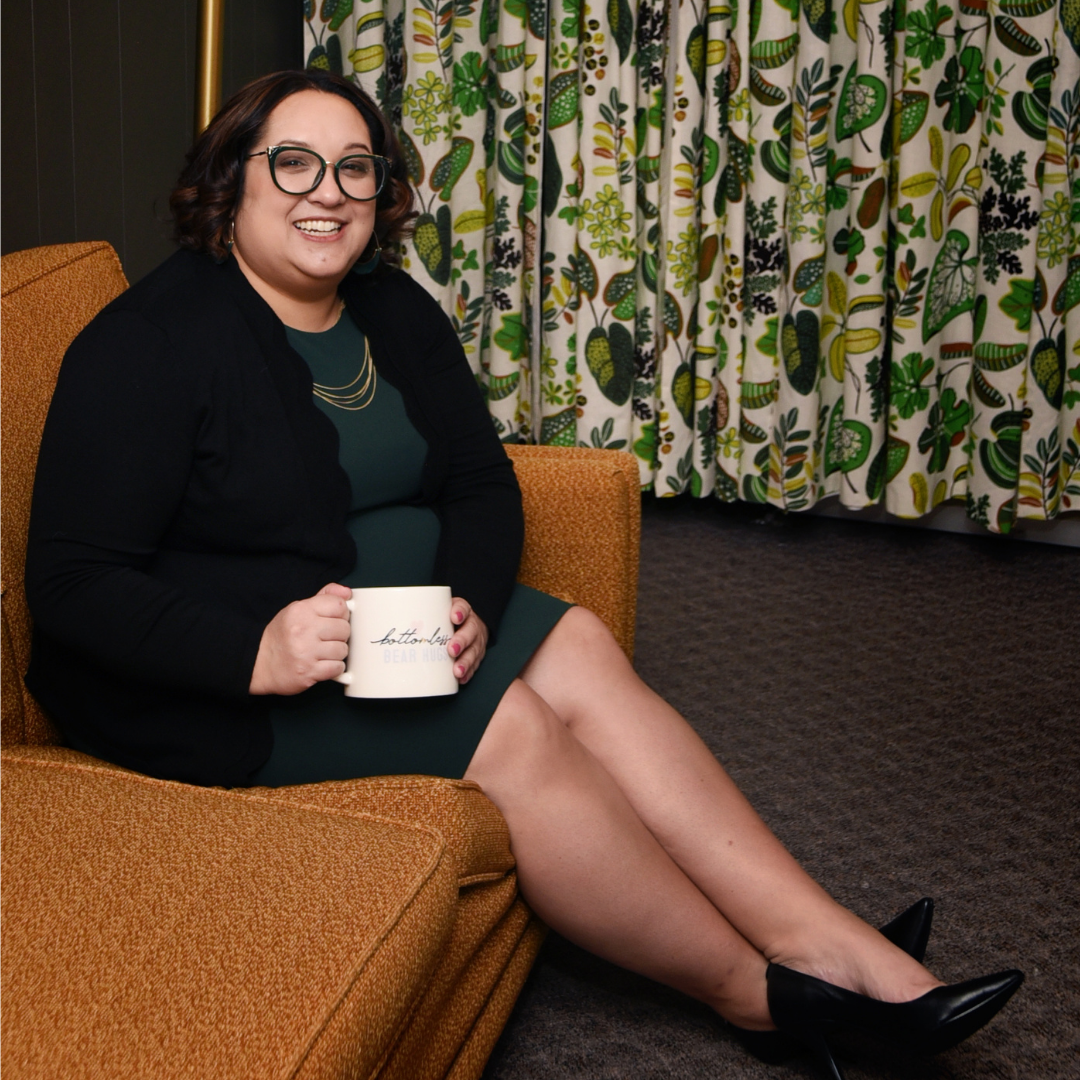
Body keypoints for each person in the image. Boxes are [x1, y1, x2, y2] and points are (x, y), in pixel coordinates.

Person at [24, 70, 1022, 1079]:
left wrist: (470, 600)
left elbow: (478, 483)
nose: (327, 192)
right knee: (516, 730)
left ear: (383, 194)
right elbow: (70, 585)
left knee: (578, 645)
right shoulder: (148, 344)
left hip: (390, 617)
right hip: (210, 674)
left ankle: (830, 941)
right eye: (293, 164)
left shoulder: (392, 311)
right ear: (230, 181)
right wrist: (253, 650)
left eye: (356, 168)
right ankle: (759, 996)